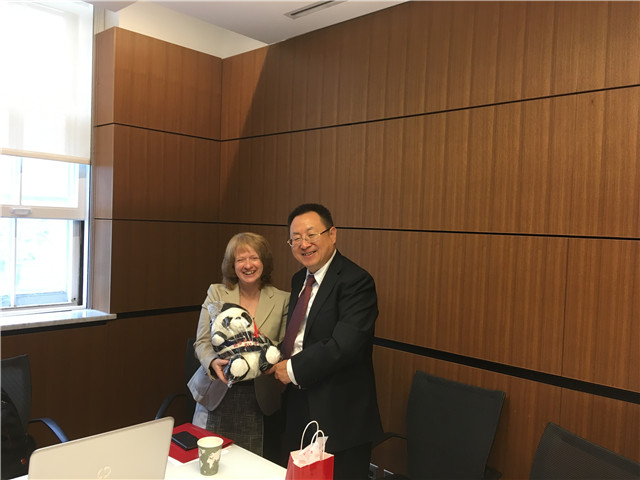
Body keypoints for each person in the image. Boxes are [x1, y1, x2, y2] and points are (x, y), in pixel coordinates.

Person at [269, 203, 383, 480]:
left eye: (311, 235)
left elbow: (344, 345)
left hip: (340, 412)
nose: (303, 244)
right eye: (295, 238)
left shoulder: (357, 282)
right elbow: (299, 336)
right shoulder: (299, 279)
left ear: (332, 234)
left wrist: (291, 369)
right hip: (298, 402)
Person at [192, 232, 289, 459]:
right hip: (218, 388)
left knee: (252, 463)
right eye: (240, 259)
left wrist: (260, 354)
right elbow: (202, 341)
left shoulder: (283, 299)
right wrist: (213, 362)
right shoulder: (216, 293)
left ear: (264, 262)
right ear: (232, 264)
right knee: (211, 461)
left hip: (260, 395)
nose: (248, 265)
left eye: (254, 258)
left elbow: (283, 347)